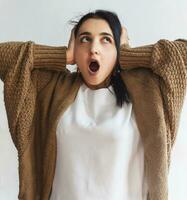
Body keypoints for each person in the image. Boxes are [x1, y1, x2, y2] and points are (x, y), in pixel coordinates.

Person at [0, 9, 186, 200]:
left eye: (106, 39)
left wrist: (127, 54)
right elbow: (3, 57)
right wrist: (63, 55)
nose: (93, 48)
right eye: (85, 39)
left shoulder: (146, 92)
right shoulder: (52, 89)